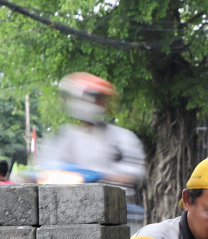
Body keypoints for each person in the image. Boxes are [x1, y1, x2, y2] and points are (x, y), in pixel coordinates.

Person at [42, 73, 147, 223]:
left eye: (100, 99)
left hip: (119, 211)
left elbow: (134, 173)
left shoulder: (123, 137)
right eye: (95, 98)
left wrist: (99, 176)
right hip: (75, 211)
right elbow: (50, 168)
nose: (99, 103)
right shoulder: (66, 137)